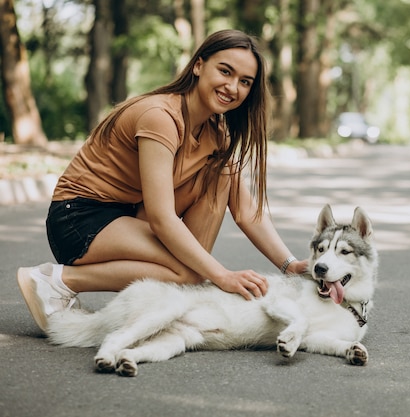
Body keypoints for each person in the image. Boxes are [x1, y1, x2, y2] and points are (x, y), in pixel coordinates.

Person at [17, 29, 308, 332]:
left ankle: (179, 290)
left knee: (220, 177)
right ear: (198, 65)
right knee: (191, 272)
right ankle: (57, 281)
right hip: (78, 219)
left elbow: (246, 212)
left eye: (245, 81)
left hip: (125, 215)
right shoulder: (160, 117)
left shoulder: (215, 133)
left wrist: (289, 265)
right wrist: (222, 275)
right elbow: (161, 218)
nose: (232, 86)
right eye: (225, 71)